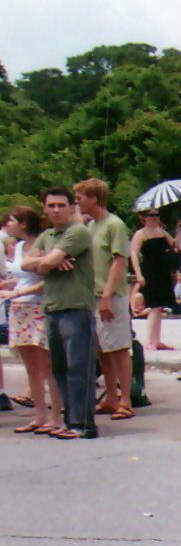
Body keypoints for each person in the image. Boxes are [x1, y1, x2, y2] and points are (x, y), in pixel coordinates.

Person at [22, 187, 98, 439]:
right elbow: (26, 263)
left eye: (61, 205)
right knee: (60, 369)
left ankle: (83, 424)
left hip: (76, 307)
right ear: (45, 208)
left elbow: (45, 264)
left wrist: (48, 260)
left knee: (79, 369)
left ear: (71, 207)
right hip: (52, 307)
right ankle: (69, 420)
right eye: (51, 205)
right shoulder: (47, 235)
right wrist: (51, 259)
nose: (56, 210)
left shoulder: (77, 232)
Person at [75, 180, 135, 421]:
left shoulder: (114, 225)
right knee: (103, 350)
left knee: (119, 348)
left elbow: (119, 261)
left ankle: (126, 399)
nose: (77, 202)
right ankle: (110, 396)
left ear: (93, 198)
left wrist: (107, 296)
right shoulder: (91, 226)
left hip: (111, 295)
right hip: (92, 295)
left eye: (80, 197)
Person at [2, 205, 59, 434]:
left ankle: (56, 415)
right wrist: (9, 286)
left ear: (24, 224)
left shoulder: (42, 243)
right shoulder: (18, 247)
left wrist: (19, 292)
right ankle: (39, 415)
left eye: (11, 220)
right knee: (30, 366)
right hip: (19, 308)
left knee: (46, 365)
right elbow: (21, 277)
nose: (7, 224)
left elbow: (49, 280)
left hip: (38, 307)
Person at [130, 204, 179, 352]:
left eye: (157, 214)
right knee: (153, 306)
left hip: (162, 271)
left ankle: (157, 340)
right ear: (144, 218)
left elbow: (175, 245)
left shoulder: (161, 232)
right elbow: (134, 254)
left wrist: (179, 232)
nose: (155, 217)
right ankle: (151, 340)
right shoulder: (141, 234)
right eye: (152, 215)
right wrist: (138, 274)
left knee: (160, 306)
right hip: (150, 271)